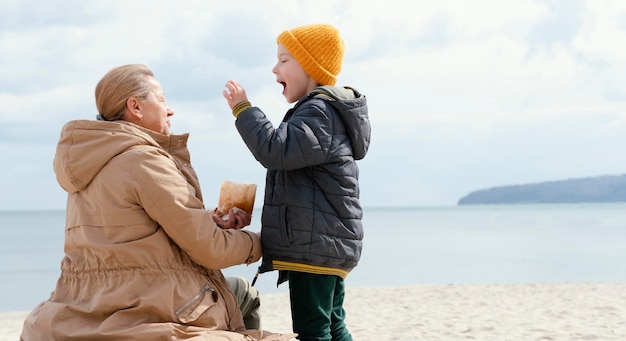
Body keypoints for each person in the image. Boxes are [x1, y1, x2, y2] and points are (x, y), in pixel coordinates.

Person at [20, 64, 295, 341]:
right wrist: (263, 242)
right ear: (135, 107)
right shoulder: (144, 161)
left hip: (92, 305)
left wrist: (209, 221)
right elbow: (209, 249)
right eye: (162, 99)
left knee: (241, 291)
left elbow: (132, 234)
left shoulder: (90, 162)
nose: (170, 109)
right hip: (148, 307)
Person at [222, 24, 371, 341]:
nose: (275, 68)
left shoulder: (319, 112)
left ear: (310, 67)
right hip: (327, 244)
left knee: (313, 329)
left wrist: (243, 109)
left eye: (284, 60)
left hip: (316, 246)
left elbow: (275, 150)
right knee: (332, 324)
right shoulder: (325, 113)